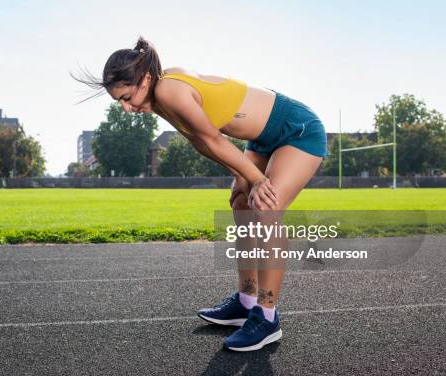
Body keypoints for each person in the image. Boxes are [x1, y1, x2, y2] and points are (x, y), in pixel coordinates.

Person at [72, 36, 329, 352]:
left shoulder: (169, 90)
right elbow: (202, 142)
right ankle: (247, 301)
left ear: (145, 79)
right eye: (119, 102)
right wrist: (243, 175)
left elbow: (212, 137)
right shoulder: (160, 100)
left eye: (126, 97)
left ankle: (267, 315)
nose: (126, 108)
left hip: (296, 129)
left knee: (265, 208)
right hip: (262, 139)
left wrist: (257, 180)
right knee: (239, 202)